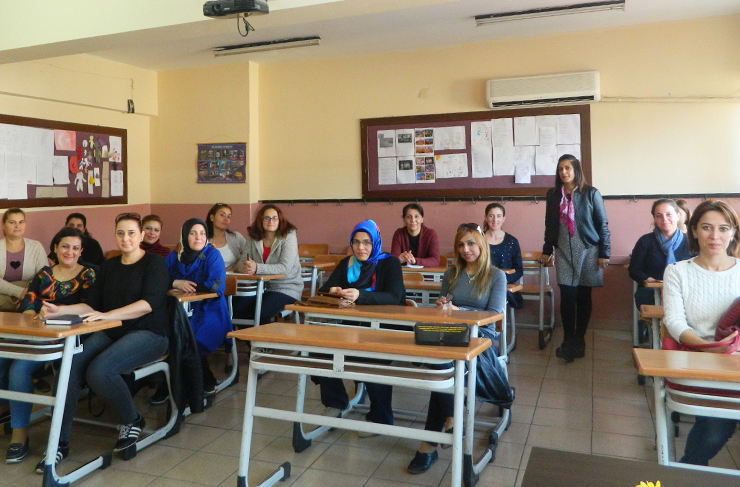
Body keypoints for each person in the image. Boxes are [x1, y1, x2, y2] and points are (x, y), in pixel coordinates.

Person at [35, 213, 170, 472]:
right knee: (69, 367)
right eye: (120, 233)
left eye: (131, 233)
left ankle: (133, 419)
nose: (125, 238)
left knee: (99, 371)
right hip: (112, 330)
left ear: (141, 235)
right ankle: (58, 444)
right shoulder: (109, 265)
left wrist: (109, 315)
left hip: (149, 333)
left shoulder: (154, 263)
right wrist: (59, 310)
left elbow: (148, 304)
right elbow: (92, 305)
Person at [408, 223, 506, 474]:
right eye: (461, 245)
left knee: (442, 366)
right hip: (451, 332)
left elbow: (494, 315)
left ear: (481, 244)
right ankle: (450, 418)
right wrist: (442, 305)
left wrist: (460, 311)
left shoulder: (496, 275)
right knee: (442, 363)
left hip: (479, 336)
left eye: (471, 243)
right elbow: (443, 307)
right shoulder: (451, 273)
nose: (465, 249)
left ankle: (430, 444)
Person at [0, 227, 95, 463]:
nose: (70, 252)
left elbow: (91, 307)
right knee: (1, 359)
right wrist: (33, 315)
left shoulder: (88, 275)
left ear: (81, 251)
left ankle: (19, 435)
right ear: (55, 248)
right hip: (35, 332)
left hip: (66, 337)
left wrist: (58, 312)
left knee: (19, 370)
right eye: (65, 246)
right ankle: (9, 412)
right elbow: (29, 301)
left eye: (75, 248)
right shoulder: (44, 273)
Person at [663, 200, 740, 466]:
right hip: (697, 362)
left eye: (723, 228)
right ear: (694, 230)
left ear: (733, 232)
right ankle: (690, 469)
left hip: (736, 362)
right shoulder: (677, 272)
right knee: (714, 432)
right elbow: (675, 322)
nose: (715, 236)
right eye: (706, 227)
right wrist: (710, 348)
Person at [315, 220, 405, 430]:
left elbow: (394, 297)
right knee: (320, 350)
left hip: (386, 328)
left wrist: (360, 295)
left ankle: (381, 416)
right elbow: (325, 290)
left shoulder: (390, 263)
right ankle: (336, 402)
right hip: (353, 327)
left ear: (375, 243)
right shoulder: (347, 263)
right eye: (356, 242)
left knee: (371, 357)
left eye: (366, 242)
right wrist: (333, 291)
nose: (361, 247)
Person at [538, 155, 610, 362]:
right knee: (567, 297)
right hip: (563, 252)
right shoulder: (553, 195)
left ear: (576, 170)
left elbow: (602, 224)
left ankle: (580, 340)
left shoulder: (591, 193)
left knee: (583, 297)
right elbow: (550, 224)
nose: (564, 172)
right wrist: (547, 250)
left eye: (567, 168)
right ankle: (568, 340)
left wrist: (604, 252)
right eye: (560, 169)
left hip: (588, 251)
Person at [166, 218, 231, 394]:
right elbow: (158, 279)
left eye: (202, 233)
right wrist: (175, 283)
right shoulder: (175, 255)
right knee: (166, 335)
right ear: (184, 236)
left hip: (210, 309)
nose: (198, 238)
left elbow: (216, 285)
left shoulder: (212, 254)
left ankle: (204, 380)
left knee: (191, 337)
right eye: (193, 233)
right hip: (180, 311)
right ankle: (169, 384)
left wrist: (188, 287)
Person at [628, 199, 692, 341]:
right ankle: (659, 341)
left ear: (677, 216)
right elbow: (634, 270)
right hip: (652, 292)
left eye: (669, 214)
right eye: (659, 215)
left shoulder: (691, 242)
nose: (664, 219)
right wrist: (648, 279)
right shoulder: (645, 241)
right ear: (654, 219)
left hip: (685, 293)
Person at [233, 205, 303, 325]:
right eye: (267, 218)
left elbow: (285, 267)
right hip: (260, 288)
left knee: (260, 312)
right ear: (260, 220)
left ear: (280, 220)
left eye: (275, 218)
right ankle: (250, 337)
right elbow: (242, 263)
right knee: (236, 309)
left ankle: (263, 337)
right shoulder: (253, 236)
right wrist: (245, 267)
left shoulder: (288, 235)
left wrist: (257, 267)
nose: (271, 221)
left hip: (287, 288)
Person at [0, 208, 48, 311]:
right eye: (12, 222)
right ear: (3, 225)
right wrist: (19, 292)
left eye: (21, 222)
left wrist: (27, 298)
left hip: (31, 298)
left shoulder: (36, 247)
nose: (17, 226)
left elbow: (44, 277)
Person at [483, 202, 523, 308]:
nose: (495, 220)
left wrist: (502, 281)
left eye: (499, 216)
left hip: (503, 285)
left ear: (504, 218)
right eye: (491, 216)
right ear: (486, 218)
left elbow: (519, 270)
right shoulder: (478, 239)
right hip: (481, 283)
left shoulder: (512, 241)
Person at [390, 203, 440, 267]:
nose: (413, 220)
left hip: (425, 272)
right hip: (404, 272)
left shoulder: (431, 234)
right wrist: (398, 259)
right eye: (409, 217)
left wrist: (415, 261)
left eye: (416, 216)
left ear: (422, 219)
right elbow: (393, 259)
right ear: (404, 219)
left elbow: (435, 261)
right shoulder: (399, 233)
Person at [206, 203, 247, 271]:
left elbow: (250, 253)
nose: (226, 219)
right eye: (222, 215)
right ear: (212, 217)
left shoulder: (236, 237)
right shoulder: (202, 239)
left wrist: (237, 266)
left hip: (233, 276)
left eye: (229, 217)